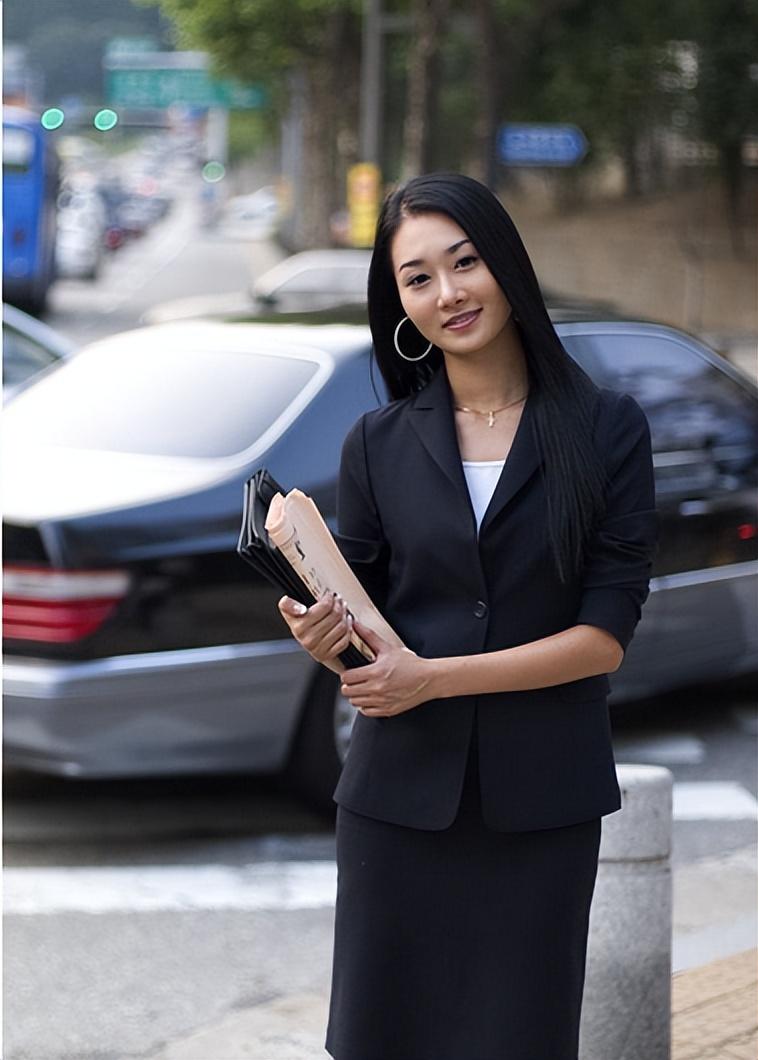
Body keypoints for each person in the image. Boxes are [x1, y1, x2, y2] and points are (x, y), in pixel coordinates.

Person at [277, 172, 657, 1060]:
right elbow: (362, 609)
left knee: (518, 1038)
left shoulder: (607, 430)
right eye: (418, 278)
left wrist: (431, 679)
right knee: (382, 1036)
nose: (448, 293)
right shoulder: (376, 442)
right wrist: (320, 639)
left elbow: (604, 639)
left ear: (506, 266)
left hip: (541, 806)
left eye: (465, 262)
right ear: (400, 302)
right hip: (396, 804)